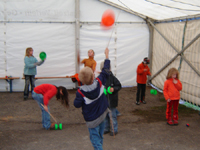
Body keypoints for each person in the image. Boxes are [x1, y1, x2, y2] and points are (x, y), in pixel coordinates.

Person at [74, 48, 110, 150]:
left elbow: (76, 104)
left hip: (92, 120)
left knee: (95, 140)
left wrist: (78, 99)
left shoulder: (80, 92)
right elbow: (106, 70)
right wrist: (106, 55)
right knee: (100, 137)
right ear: (93, 76)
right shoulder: (99, 81)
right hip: (102, 115)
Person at [100, 61, 122, 136]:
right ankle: (106, 128)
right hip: (104, 101)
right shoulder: (101, 78)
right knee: (105, 116)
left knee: (112, 116)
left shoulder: (113, 78)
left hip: (112, 101)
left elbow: (119, 86)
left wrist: (113, 89)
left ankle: (114, 129)